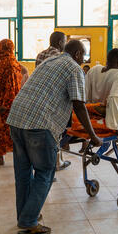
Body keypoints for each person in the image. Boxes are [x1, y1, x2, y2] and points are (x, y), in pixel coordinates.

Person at [7, 39, 102, 234]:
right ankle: (29, 220)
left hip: (16, 119)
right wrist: (92, 135)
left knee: (23, 173)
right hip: (39, 125)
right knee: (45, 171)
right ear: (77, 55)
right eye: (83, 55)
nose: (84, 59)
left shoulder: (49, 61)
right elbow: (78, 105)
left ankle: (25, 216)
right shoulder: (74, 68)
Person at [35, 31, 71, 171]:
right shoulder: (59, 57)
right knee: (54, 134)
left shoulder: (40, 55)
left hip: (39, 98)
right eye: (64, 41)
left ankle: (46, 164)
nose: (65, 44)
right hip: (52, 101)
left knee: (43, 133)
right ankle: (54, 165)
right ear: (60, 43)